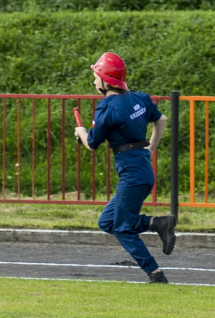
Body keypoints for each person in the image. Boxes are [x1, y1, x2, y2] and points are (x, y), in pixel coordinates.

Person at [75, 52, 177, 284]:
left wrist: (80, 132)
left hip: (132, 175)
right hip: (142, 169)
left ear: (105, 80)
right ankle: (157, 223)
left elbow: (91, 144)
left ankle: (155, 273)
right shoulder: (139, 98)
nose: (93, 82)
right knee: (107, 222)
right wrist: (151, 147)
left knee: (121, 227)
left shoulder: (106, 109)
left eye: (95, 77)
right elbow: (160, 120)